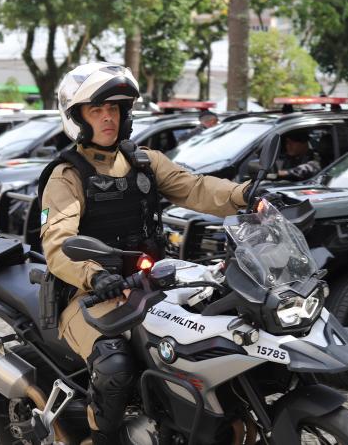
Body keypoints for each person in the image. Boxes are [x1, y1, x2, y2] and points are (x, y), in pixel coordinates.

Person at [39, 63, 254, 445]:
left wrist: (245, 196)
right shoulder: (66, 175)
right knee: (115, 364)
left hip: (149, 281)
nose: (108, 117)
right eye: (97, 110)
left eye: (115, 109)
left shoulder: (145, 161)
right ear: (77, 117)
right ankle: (102, 438)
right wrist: (96, 276)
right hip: (88, 293)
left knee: (224, 329)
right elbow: (57, 245)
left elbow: (196, 188)